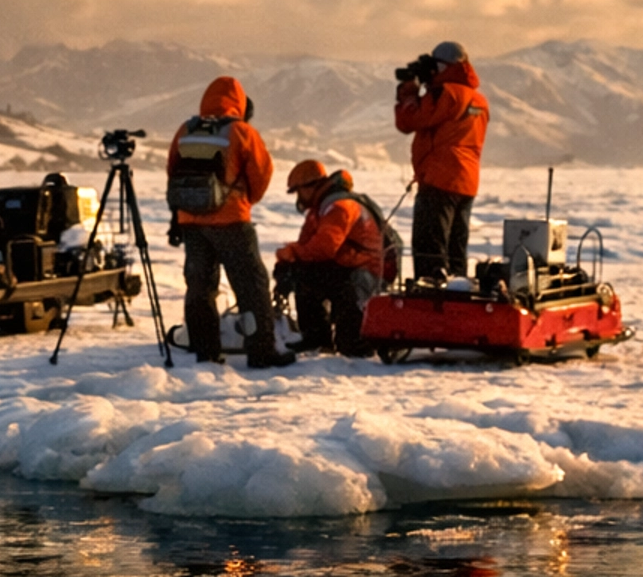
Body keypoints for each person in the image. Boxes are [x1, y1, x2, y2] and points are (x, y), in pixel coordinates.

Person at [165, 75, 282, 368]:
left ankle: (206, 354)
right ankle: (261, 352)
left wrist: (186, 213)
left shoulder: (185, 130)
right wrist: (242, 201)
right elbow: (261, 174)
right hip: (231, 221)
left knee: (200, 288)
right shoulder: (241, 132)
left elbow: (172, 170)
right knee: (251, 287)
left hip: (191, 222)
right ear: (240, 103)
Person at [394, 41, 489, 280]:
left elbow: (409, 121)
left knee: (430, 249)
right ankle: (458, 294)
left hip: (439, 178)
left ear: (443, 66)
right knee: (456, 248)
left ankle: (431, 301)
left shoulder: (445, 94)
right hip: (467, 182)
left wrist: (409, 92)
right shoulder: (479, 101)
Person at [274, 161, 386, 356]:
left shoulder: (339, 207)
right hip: (346, 268)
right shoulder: (319, 211)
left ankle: (351, 340)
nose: (298, 198)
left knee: (351, 346)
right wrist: (287, 263)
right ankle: (316, 338)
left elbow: (324, 247)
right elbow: (307, 246)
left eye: (298, 191)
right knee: (299, 273)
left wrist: (292, 253)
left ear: (310, 187)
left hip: (364, 272)